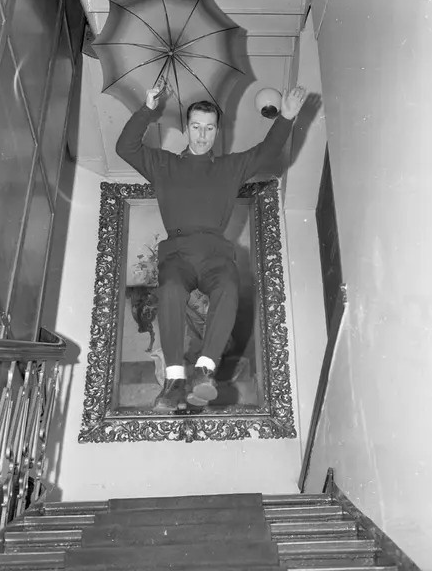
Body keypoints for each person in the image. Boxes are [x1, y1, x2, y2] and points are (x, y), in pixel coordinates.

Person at [116, 80, 307, 410]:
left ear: (217, 131)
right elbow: (125, 148)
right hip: (177, 254)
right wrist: (147, 109)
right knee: (171, 289)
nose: (202, 135)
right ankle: (174, 381)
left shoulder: (230, 167)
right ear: (186, 128)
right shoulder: (164, 164)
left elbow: (267, 151)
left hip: (216, 255)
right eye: (196, 127)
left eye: (209, 128)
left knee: (228, 288)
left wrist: (286, 117)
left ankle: (204, 373)